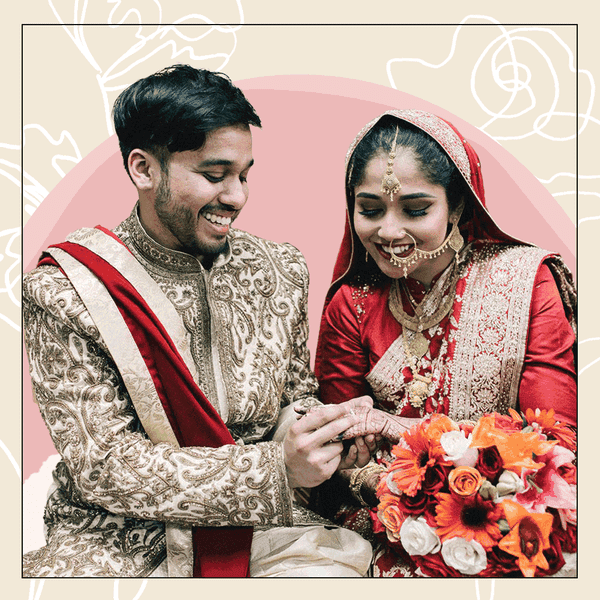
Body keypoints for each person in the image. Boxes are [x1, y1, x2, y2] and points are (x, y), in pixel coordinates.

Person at [22, 65, 373, 578]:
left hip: (269, 530)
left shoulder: (280, 269)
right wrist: (275, 470)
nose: (237, 197)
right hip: (120, 539)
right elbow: (105, 467)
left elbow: (295, 397)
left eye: (245, 174)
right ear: (144, 169)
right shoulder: (68, 291)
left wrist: (324, 437)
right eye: (214, 175)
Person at [313, 109, 576, 576]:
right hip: (384, 524)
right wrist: (400, 496)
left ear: (457, 206)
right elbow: (338, 454)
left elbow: (555, 443)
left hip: (514, 516)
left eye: (416, 210)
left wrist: (391, 426)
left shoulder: (526, 283)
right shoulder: (352, 304)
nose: (388, 231)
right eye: (369, 210)